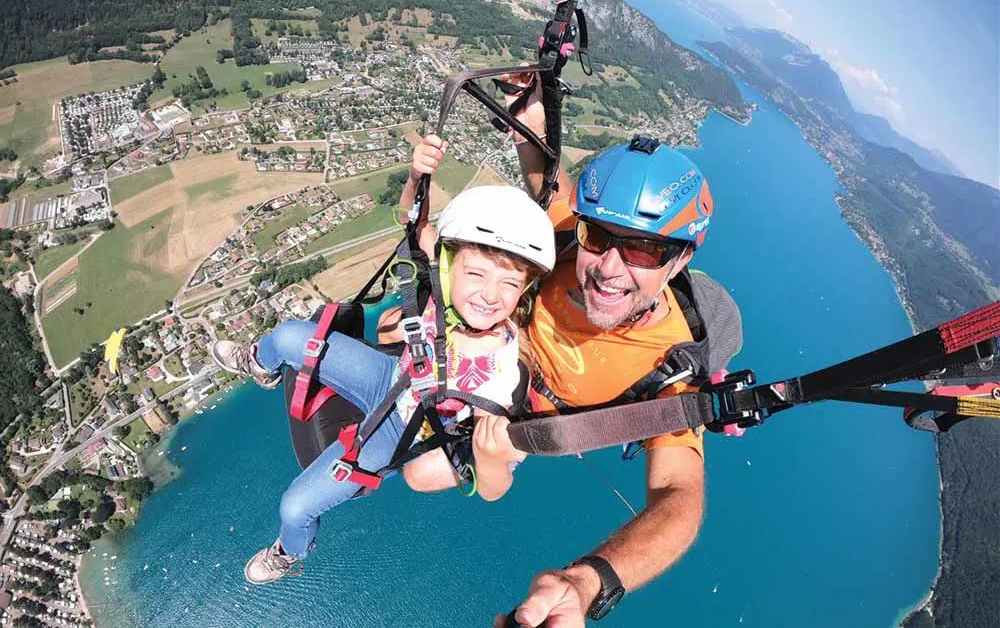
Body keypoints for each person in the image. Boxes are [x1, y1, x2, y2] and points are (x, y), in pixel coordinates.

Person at [210, 135, 556, 585]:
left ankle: (289, 551)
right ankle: (262, 365)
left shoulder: (506, 380)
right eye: (476, 275)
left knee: (294, 507)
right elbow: (411, 221)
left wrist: (489, 461)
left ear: (524, 290)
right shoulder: (441, 286)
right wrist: (417, 175)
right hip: (389, 376)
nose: (491, 296)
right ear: (449, 267)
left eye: (509, 285)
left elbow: (493, 484)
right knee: (293, 336)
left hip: (400, 430)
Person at [492, 74, 716, 627]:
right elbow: (547, 183)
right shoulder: (572, 242)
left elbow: (678, 496)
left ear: (679, 261)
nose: (610, 269)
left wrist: (588, 581)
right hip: (482, 370)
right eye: (601, 239)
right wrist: (533, 113)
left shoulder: (671, 366)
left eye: (643, 250)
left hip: (515, 426)